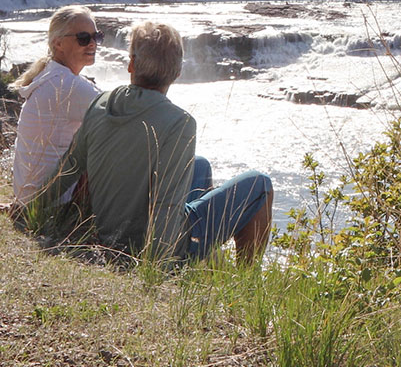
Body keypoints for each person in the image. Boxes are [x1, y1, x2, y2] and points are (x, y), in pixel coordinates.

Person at [38, 21, 273, 263]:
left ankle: (209, 267)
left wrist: (29, 208)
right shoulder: (180, 123)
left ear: (131, 64)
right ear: (177, 72)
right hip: (150, 246)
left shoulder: (99, 104)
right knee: (260, 184)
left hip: (107, 230)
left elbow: (66, 170)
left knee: (200, 165)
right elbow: (166, 203)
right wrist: (157, 265)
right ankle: (246, 279)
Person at [11, 5, 103, 205]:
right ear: (58, 43)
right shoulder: (66, 85)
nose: (92, 44)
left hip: (29, 198)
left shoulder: (51, 76)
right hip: (51, 205)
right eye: (83, 38)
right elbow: (123, 115)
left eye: (97, 37)